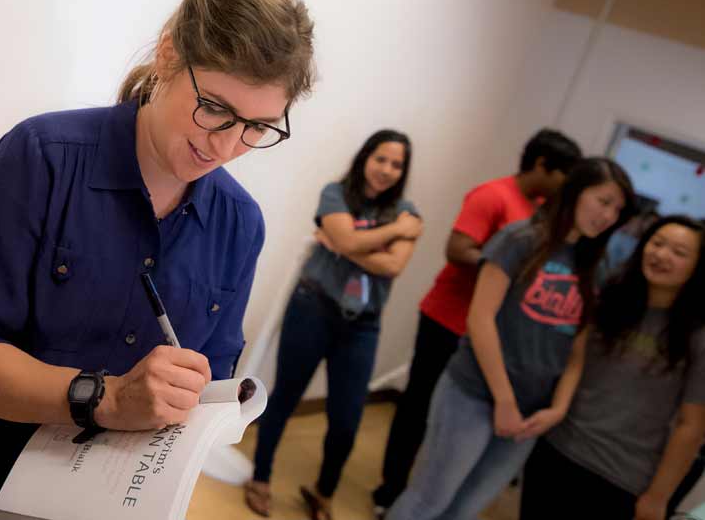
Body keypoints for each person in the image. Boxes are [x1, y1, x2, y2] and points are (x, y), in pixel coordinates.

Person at [0, 0, 316, 519]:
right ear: (168, 55)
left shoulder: (239, 224)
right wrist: (112, 399)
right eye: (213, 108)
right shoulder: (40, 158)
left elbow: (208, 384)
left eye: (257, 127)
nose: (226, 145)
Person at [385, 157, 635, 520]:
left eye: (618, 209)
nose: (609, 215)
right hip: (473, 394)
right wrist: (504, 400)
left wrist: (558, 409)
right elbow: (481, 318)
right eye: (604, 200)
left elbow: (577, 350)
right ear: (576, 192)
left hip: (532, 414)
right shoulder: (520, 239)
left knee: (464, 510)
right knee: (428, 500)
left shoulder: (595, 264)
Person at [372, 128, 581, 516]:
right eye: (562, 176)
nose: (565, 188)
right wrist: (509, 269)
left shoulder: (539, 210)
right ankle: (390, 494)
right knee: (418, 408)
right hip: (448, 318)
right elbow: (457, 249)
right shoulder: (494, 195)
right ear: (542, 165)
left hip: (483, 332)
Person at [244, 130, 423, 520]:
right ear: (365, 158)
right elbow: (353, 243)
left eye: (397, 164)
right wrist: (390, 234)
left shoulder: (409, 210)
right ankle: (260, 478)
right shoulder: (336, 194)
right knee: (285, 398)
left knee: (347, 419)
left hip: (363, 325)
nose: (387, 170)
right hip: (313, 308)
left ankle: (323, 493)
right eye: (382, 159)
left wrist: (344, 241)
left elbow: (392, 265)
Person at [520, 215, 705, 520]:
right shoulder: (610, 297)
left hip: (621, 476)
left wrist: (658, 498)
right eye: (657, 243)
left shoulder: (697, 335)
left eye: (679, 252)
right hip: (557, 450)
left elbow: (691, 427)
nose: (661, 255)